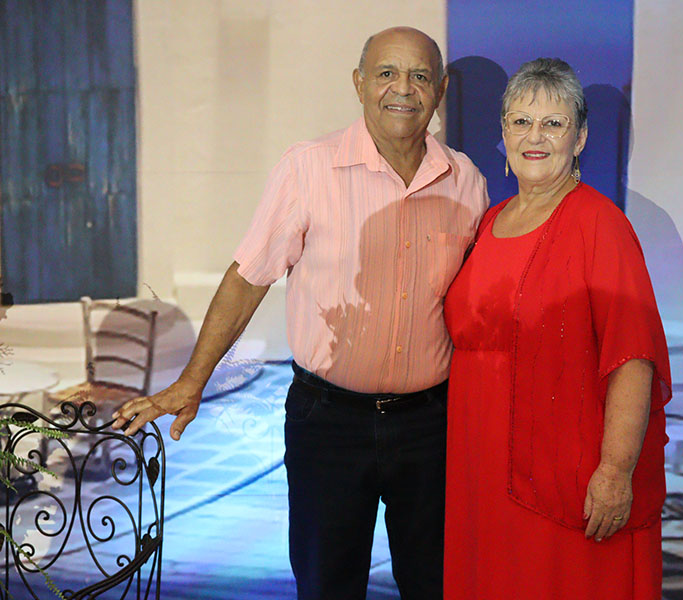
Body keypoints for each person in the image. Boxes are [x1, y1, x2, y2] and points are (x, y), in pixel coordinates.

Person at [113, 26, 489, 600]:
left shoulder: (467, 182)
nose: (402, 89)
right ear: (359, 84)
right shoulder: (307, 168)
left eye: (419, 76)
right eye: (386, 73)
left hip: (431, 426)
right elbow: (248, 279)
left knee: (436, 584)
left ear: (440, 90)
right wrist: (192, 381)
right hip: (328, 423)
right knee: (326, 585)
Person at [443, 58, 671, 599]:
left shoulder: (601, 225)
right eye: (521, 122)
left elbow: (633, 357)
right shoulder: (489, 220)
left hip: (562, 469)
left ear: (580, 137)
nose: (535, 137)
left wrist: (615, 470)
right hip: (478, 462)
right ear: (503, 133)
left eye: (553, 123)